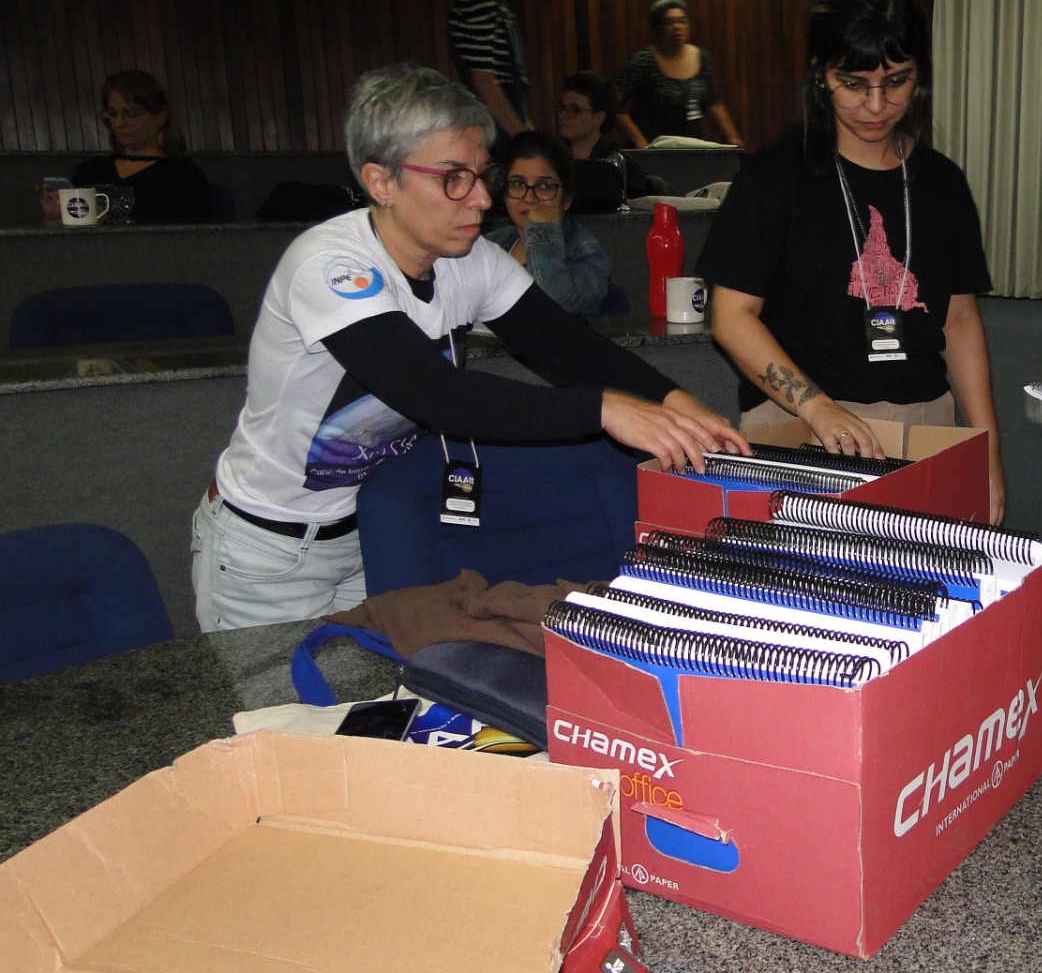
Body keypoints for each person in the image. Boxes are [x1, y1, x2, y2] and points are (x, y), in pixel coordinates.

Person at [192, 65, 746, 632]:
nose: (481, 198)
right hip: (271, 553)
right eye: (453, 178)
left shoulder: (469, 259)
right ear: (381, 182)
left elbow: (570, 348)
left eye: (482, 175)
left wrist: (680, 404)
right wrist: (605, 409)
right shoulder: (331, 266)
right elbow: (436, 395)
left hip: (368, 532)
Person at [698, 0, 1006, 523]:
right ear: (821, 74)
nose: (876, 106)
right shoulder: (774, 178)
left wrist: (986, 451)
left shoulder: (941, 183)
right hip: (799, 424)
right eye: (854, 84)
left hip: (921, 419)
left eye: (897, 82)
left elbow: (959, 322)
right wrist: (817, 407)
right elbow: (732, 316)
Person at [41, 70, 210, 223]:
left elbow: (186, 236)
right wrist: (55, 216)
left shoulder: (182, 174)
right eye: (112, 114)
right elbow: (63, 239)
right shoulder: (90, 170)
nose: (119, 123)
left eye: (132, 114)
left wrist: (103, 219)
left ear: (161, 116)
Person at [485, 130, 611, 314]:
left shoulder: (586, 255)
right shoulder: (492, 244)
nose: (529, 198)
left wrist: (541, 231)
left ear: (567, 199)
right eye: (518, 184)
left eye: (544, 186)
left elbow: (550, 310)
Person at [447, 0, 533, 156]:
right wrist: (523, 140)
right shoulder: (479, 1)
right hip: (492, 125)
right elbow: (484, 80)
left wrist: (528, 133)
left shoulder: (497, 5)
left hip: (502, 118)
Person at [613, 0, 744, 148]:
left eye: (682, 21)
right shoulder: (644, 62)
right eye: (669, 23)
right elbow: (615, 103)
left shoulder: (701, 57)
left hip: (693, 145)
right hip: (655, 146)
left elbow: (713, 100)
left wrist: (733, 137)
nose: (677, 27)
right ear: (657, 28)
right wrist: (639, 141)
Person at [553, 70, 658, 209]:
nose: (562, 115)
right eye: (561, 107)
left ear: (599, 118)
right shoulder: (551, 160)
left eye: (575, 110)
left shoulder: (624, 168)